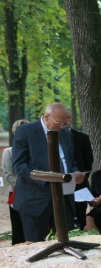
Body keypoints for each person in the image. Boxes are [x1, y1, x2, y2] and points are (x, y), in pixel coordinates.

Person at [12, 102, 85, 241]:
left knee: (65, 242)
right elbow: (19, 166)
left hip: (63, 199)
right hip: (35, 199)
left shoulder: (66, 134)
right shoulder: (26, 131)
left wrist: (76, 173)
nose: (62, 126)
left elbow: (70, 160)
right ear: (46, 117)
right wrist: (49, 179)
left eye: (65, 123)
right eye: (59, 122)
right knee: (36, 245)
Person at [2, 119, 29, 244]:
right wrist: (26, 186)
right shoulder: (8, 152)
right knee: (18, 226)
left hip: (36, 192)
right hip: (16, 193)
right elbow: (8, 175)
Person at [69, 111, 94, 230]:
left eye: (68, 118)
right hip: (61, 182)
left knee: (80, 212)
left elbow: (88, 160)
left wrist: (82, 176)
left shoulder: (82, 137)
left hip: (80, 183)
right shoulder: (52, 137)